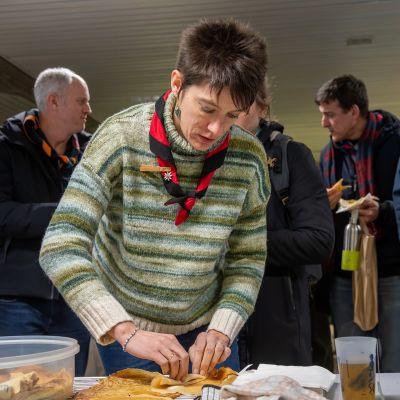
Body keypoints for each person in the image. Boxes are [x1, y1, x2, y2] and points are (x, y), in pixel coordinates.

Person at [39, 18, 270, 380]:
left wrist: (222, 329)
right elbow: (61, 245)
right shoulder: (120, 137)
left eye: (232, 116)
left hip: (208, 333)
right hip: (132, 332)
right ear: (177, 83)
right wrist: (123, 329)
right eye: (207, 109)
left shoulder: (248, 158)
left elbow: (248, 258)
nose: (216, 130)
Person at [0, 67, 93, 376]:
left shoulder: (92, 151)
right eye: (81, 101)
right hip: (18, 300)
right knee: (19, 386)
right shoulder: (6, 146)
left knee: (68, 385)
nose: (88, 109)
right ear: (54, 101)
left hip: (75, 293)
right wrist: (65, 213)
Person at [235, 86, 334, 367]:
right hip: (213, 325)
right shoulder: (202, 156)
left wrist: (238, 243)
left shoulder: (291, 155)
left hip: (277, 315)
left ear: (262, 108)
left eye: (241, 107)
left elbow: (318, 240)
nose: (229, 116)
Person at [316, 74, 400, 372]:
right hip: (345, 272)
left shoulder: (394, 143)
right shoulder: (328, 155)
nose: (324, 123)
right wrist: (323, 204)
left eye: (330, 115)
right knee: (354, 363)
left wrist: (383, 211)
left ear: (353, 112)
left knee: (394, 358)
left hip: (391, 269)